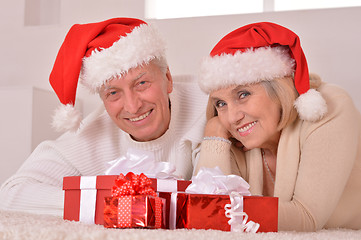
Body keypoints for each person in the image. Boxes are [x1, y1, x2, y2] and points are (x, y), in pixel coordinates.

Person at [0, 17, 207, 216]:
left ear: (168, 78)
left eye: (142, 83)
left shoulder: (211, 106)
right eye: (113, 93)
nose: (133, 106)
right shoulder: (91, 135)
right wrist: (114, 204)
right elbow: (11, 194)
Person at [195, 22, 361, 231]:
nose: (232, 117)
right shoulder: (227, 130)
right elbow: (202, 215)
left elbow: (306, 218)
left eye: (243, 94)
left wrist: (217, 211)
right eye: (221, 103)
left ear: (278, 90)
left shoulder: (330, 107)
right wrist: (214, 136)